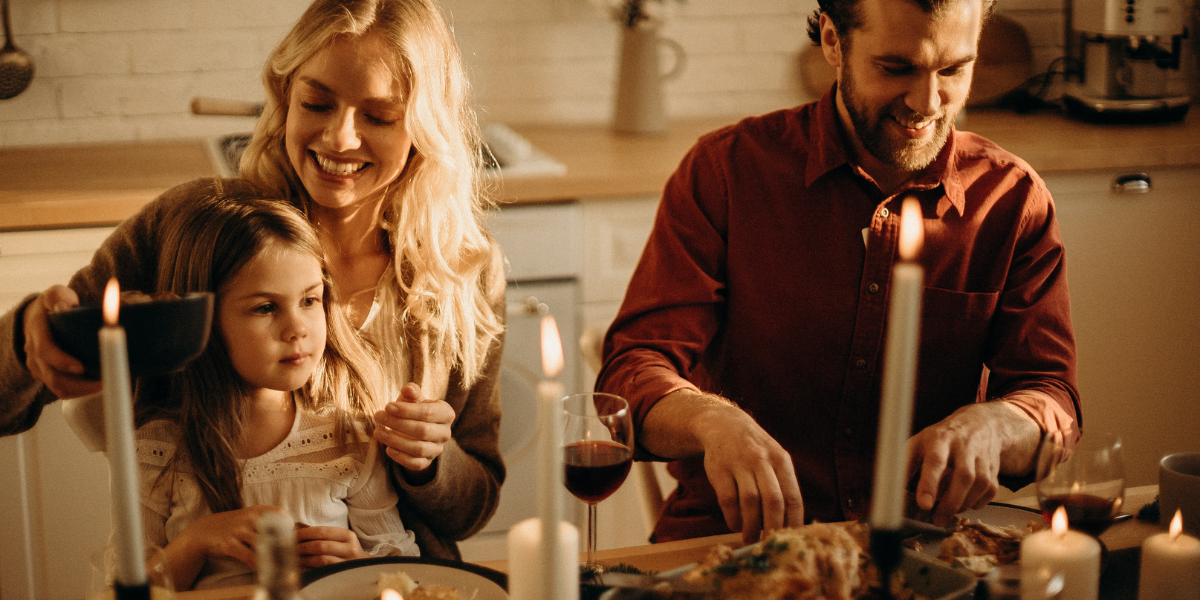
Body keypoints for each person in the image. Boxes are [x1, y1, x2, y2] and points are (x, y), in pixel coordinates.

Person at [0, 0, 505, 559]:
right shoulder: (201, 228)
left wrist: (433, 459)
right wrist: (30, 338)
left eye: (379, 117)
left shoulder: (460, 273)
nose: (340, 138)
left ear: (425, 127)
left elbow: (471, 510)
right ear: (285, 96)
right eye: (316, 102)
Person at [596, 0, 1081, 545]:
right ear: (832, 40)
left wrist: (994, 424)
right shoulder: (726, 172)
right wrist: (710, 420)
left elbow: (1051, 398)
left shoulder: (1011, 200)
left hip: (920, 553)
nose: (927, 103)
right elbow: (631, 370)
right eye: (896, 68)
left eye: (953, 70)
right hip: (735, 546)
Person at [107, 191, 417, 590]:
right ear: (203, 320)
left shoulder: (347, 436)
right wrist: (197, 541)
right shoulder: (157, 448)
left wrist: (356, 563)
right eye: (265, 308)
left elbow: (400, 565)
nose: (297, 328)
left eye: (309, 300)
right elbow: (126, 587)